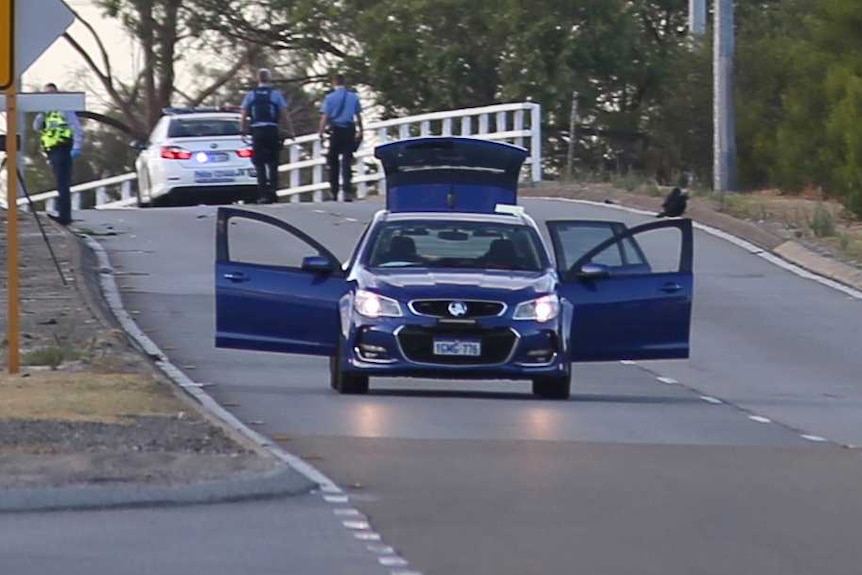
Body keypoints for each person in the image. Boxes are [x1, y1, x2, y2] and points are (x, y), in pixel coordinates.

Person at [33, 83, 84, 226]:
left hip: (63, 148)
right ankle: (64, 214)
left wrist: (77, 147)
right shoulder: (45, 112)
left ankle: (64, 216)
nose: (49, 96)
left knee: (62, 182)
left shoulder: (64, 109)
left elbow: (76, 128)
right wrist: (41, 114)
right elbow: (37, 127)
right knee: (60, 182)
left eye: (51, 93)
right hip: (52, 151)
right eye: (46, 94)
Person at [241, 69, 293, 204]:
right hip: (272, 130)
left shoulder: (251, 95)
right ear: (269, 79)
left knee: (259, 163)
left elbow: (244, 114)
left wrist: (243, 131)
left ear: (258, 79)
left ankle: (263, 193)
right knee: (273, 162)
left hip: (257, 131)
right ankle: (273, 192)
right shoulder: (275, 95)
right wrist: (290, 130)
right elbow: (284, 113)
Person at [318, 74, 363, 202]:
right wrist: (361, 130)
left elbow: (325, 116)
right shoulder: (353, 97)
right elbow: (358, 116)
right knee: (347, 161)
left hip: (336, 131)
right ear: (345, 82)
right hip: (349, 129)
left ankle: (334, 191)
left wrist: (321, 131)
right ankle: (348, 191)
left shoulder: (330, 98)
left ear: (334, 83)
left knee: (333, 161)